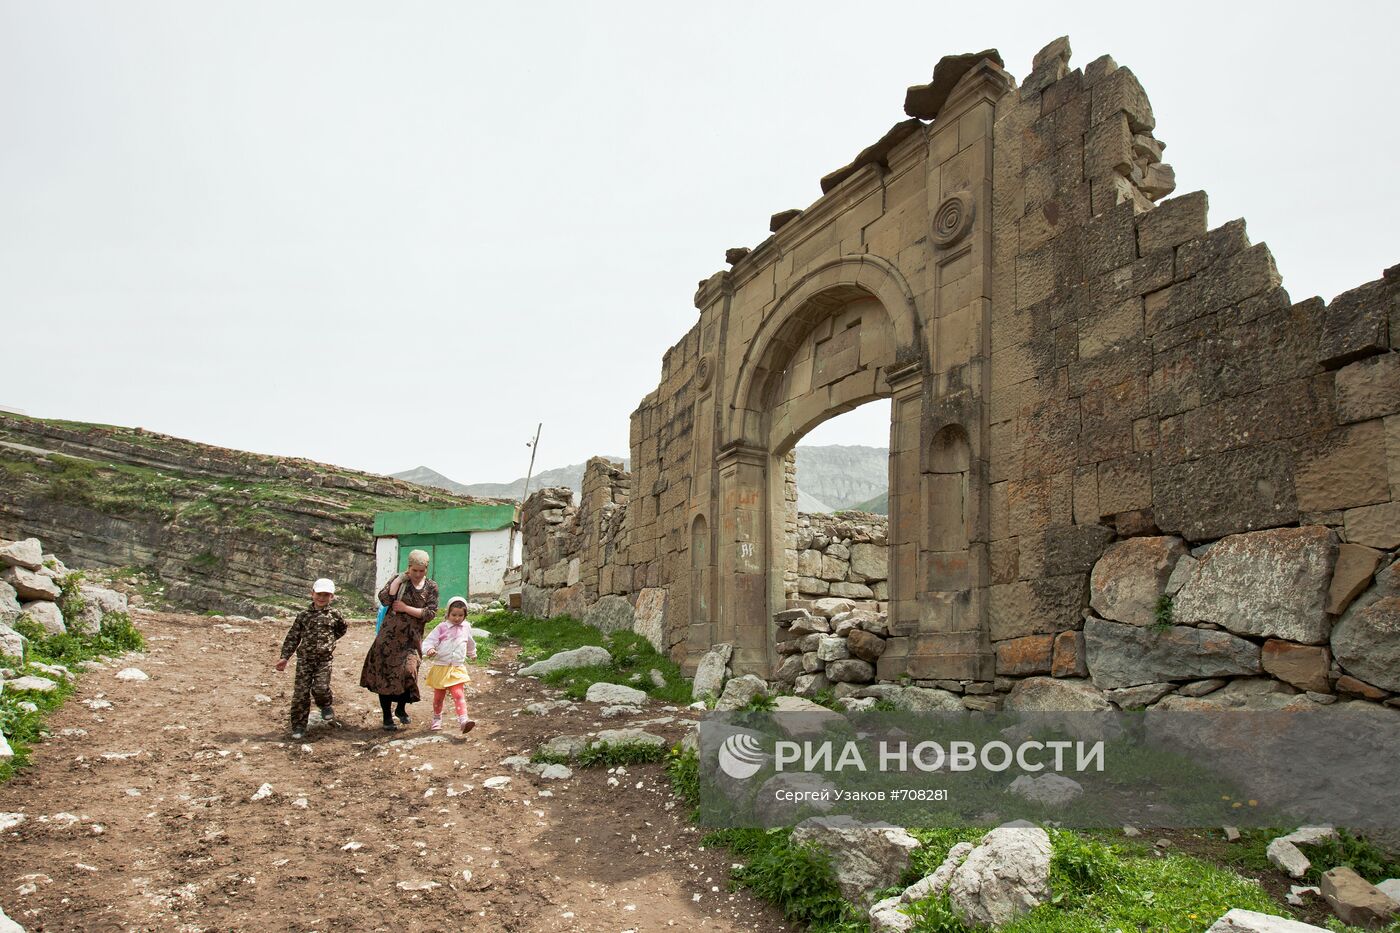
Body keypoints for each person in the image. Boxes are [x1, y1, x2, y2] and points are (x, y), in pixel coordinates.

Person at [360, 549, 438, 730]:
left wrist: (405, 608)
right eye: (414, 570)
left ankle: (401, 709)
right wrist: (398, 580)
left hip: (411, 640)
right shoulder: (399, 580)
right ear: (409, 567)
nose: (418, 574)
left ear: (426, 569)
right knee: (384, 677)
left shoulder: (431, 587)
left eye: (422, 570)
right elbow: (385, 599)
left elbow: (430, 613)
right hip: (388, 639)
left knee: (409, 672)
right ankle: (387, 717)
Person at [275, 577, 348, 740]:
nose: (322, 598)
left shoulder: (335, 615)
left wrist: (330, 641)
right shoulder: (303, 616)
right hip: (305, 661)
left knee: (321, 688)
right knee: (301, 693)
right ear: (312, 594)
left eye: (326, 595)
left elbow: (342, 629)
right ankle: (299, 726)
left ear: (332, 597)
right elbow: (293, 637)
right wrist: (284, 657)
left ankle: (325, 705)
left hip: (324, 660)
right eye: (319, 594)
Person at [422, 596, 477, 734]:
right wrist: (429, 649)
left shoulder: (466, 627)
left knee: (458, 694)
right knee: (438, 697)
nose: (457, 618)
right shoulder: (442, 627)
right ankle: (437, 718)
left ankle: (463, 720)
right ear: (447, 613)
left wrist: (472, 652)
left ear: (465, 615)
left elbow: (470, 642)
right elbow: (428, 641)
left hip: (457, 667)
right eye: (454, 615)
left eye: (460, 615)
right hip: (441, 666)